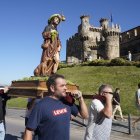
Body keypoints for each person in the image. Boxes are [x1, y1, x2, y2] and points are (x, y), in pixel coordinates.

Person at [23, 74, 88, 140]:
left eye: (65, 85)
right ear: (52, 88)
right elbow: (28, 130)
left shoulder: (67, 102)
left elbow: (85, 116)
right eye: (62, 86)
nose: (65, 88)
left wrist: (80, 98)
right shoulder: (41, 106)